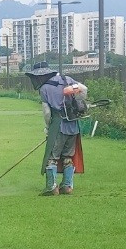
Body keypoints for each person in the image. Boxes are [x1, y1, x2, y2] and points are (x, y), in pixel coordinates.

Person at [26, 64, 86, 196]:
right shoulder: (68, 80)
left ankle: (52, 187)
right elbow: (84, 91)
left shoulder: (44, 88)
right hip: (73, 125)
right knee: (68, 156)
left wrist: (48, 128)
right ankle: (67, 186)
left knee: (52, 157)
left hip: (58, 125)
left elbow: (47, 113)